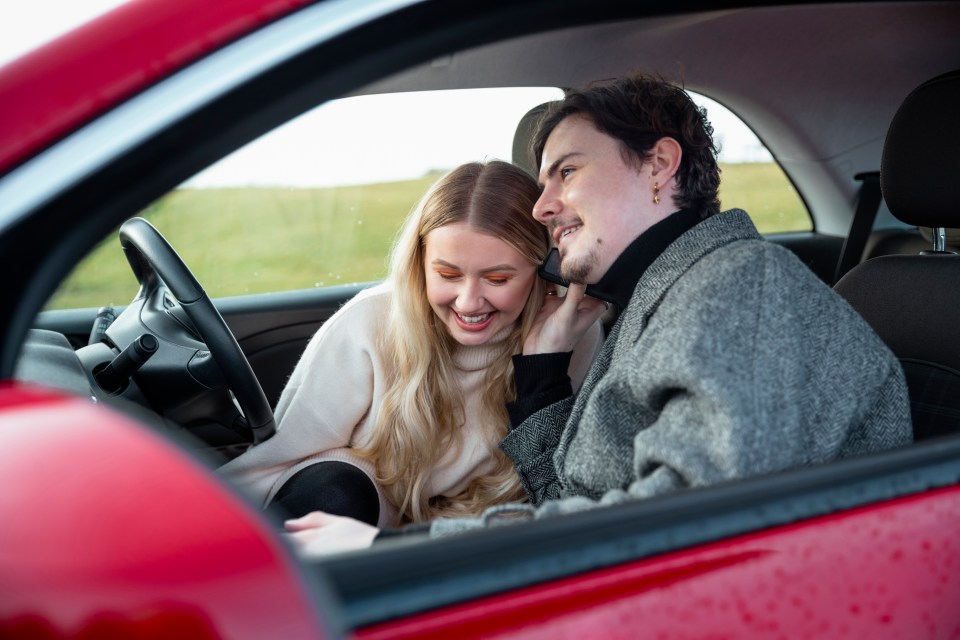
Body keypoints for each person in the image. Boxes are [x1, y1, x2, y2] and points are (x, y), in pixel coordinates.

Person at [283, 74, 912, 555]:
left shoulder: (743, 290)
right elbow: (574, 498)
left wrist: (394, 551)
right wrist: (543, 371)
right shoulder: (655, 299)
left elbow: (678, 530)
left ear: (660, 166)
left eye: (567, 172)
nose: (541, 206)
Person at [220, 160, 603, 529]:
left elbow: (561, 489)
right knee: (335, 493)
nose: (468, 302)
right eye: (447, 274)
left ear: (543, 272)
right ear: (419, 263)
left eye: (498, 279)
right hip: (369, 497)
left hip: (481, 524)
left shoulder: (571, 336)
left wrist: (545, 362)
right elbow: (280, 461)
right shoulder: (369, 323)